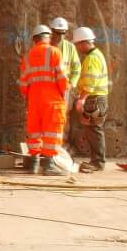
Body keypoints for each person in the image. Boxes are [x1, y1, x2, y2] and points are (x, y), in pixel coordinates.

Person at [17, 23, 70, 175]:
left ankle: (33, 164)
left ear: (34, 39)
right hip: (52, 100)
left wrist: (29, 96)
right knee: (52, 132)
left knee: (34, 132)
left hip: (34, 100)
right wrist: (62, 94)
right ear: (48, 37)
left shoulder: (27, 57)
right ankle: (49, 166)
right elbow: (62, 79)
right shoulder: (54, 52)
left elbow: (23, 84)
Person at [71, 25, 110, 172]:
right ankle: (96, 161)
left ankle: (98, 162)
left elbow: (90, 81)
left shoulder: (92, 58)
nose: (78, 48)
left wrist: (82, 99)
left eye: (77, 45)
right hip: (97, 99)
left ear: (83, 42)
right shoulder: (96, 55)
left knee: (94, 131)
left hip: (94, 99)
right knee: (93, 130)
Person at [49, 15, 79, 151]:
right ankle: (48, 148)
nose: (60, 36)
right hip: (48, 88)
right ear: (51, 31)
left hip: (63, 89)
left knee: (62, 117)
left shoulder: (70, 47)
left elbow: (76, 67)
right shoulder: (45, 46)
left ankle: (61, 146)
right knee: (47, 117)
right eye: (57, 32)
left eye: (63, 33)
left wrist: (71, 84)